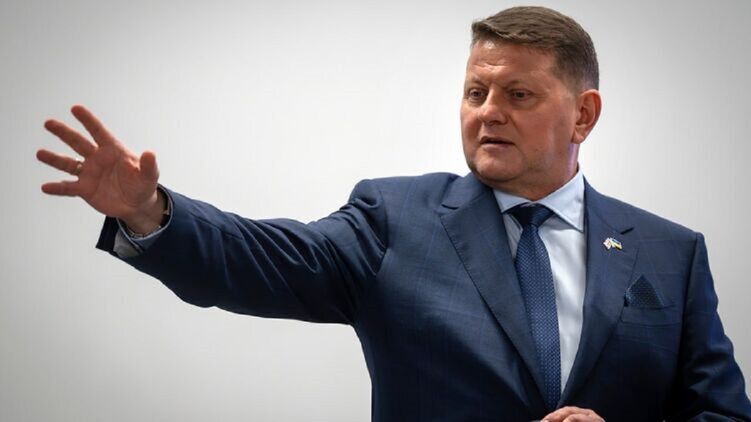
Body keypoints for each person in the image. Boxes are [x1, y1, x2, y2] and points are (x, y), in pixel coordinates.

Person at [36, 6, 751, 421]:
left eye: (518, 96)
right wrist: (151, 211)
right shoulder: (395, 219)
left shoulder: (672, 254)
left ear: (583, 115)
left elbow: (721, 413)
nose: (488, 113)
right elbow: (259, 261)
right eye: (475, 93)